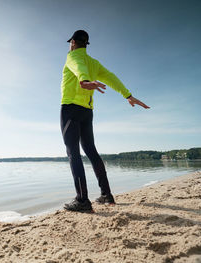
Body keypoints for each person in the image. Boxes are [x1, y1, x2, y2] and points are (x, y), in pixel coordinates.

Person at [60, 30, 150, 213]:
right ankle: (106, 195)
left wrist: (84, 80)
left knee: (73, 154)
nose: (70, 45)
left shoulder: (72, 56)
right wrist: (127, 95)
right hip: (87, 112)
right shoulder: (94, 63)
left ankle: (82, 200)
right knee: (91, 151)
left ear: (74, 42)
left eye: (71, 42)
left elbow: (78, 66)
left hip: (71, 109)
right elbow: (111, 77)